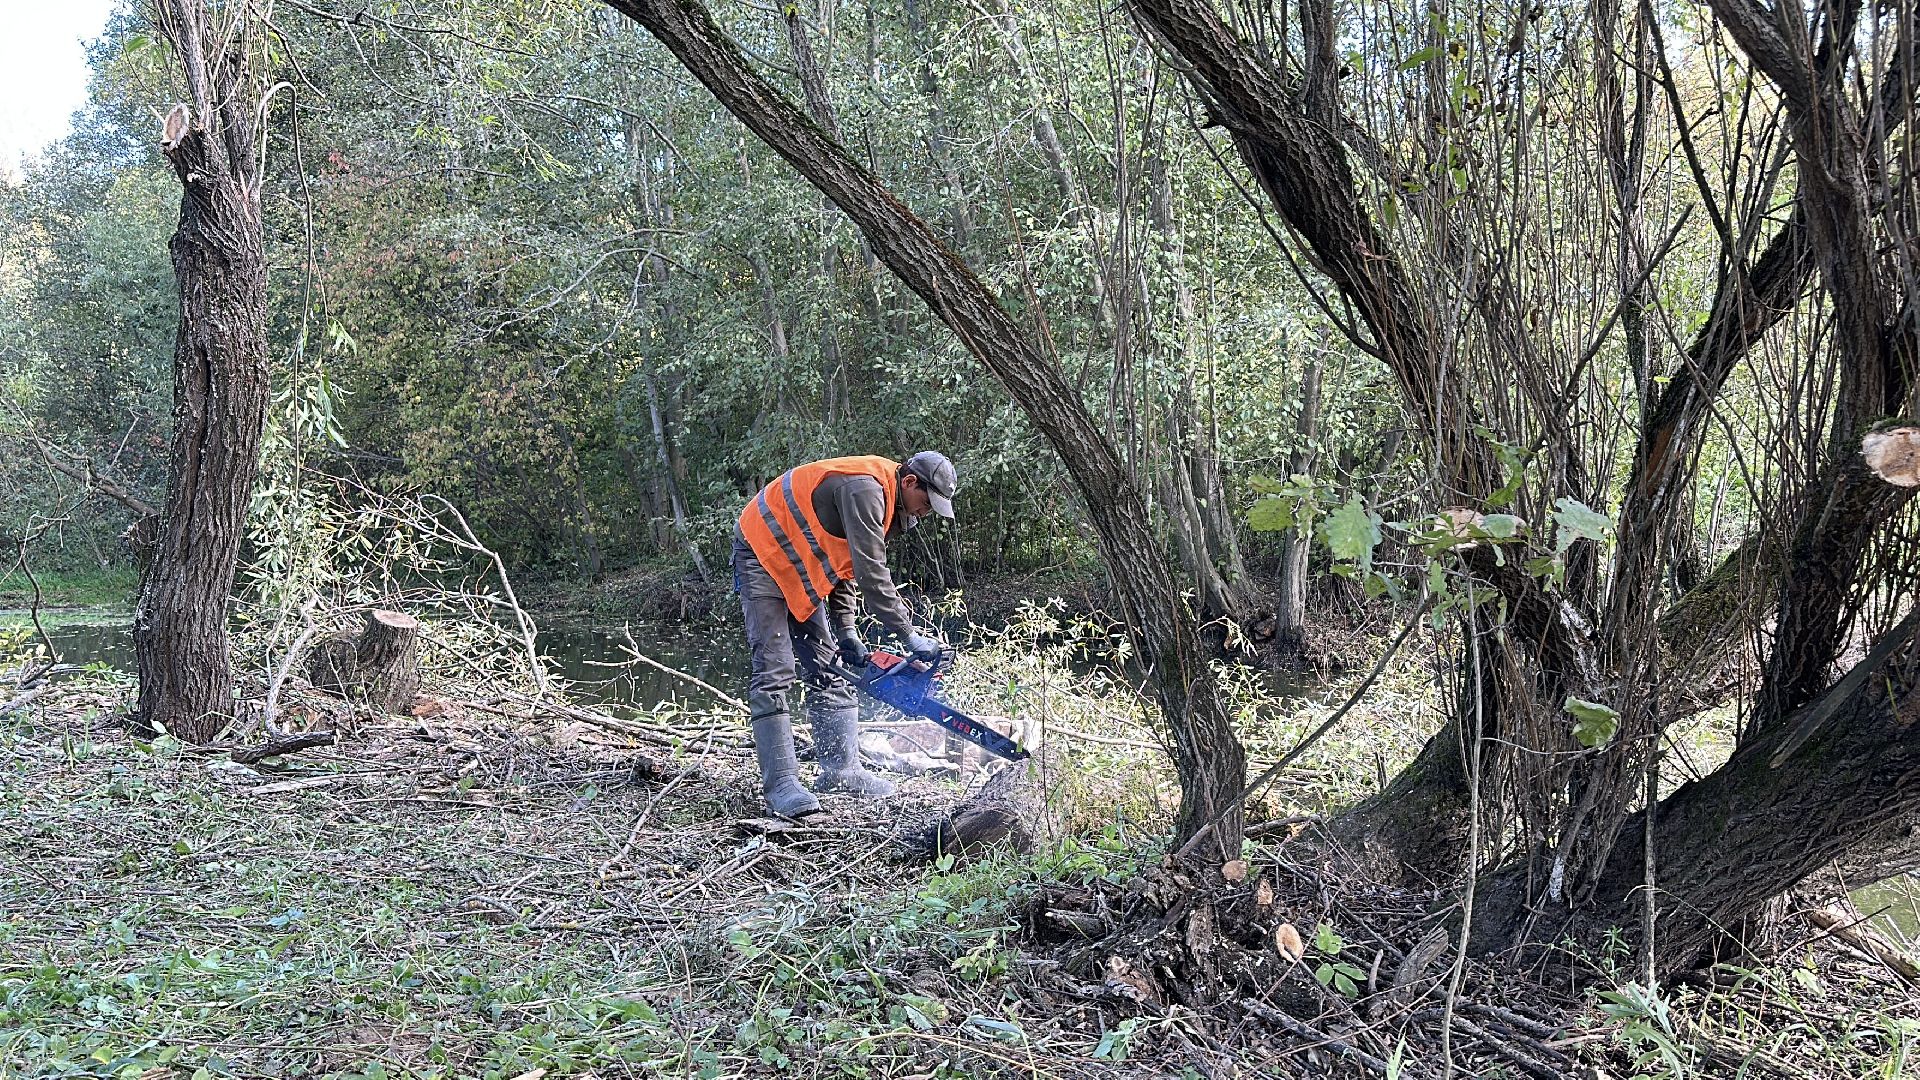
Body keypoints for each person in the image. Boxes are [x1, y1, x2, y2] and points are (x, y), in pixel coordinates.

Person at [732, 451, 958, 817]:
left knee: (829, 664)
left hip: (798, 562)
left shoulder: (887, 502)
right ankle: (782, 786)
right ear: (910, 482)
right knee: (775, 667)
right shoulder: (864, 490)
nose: (925, 512)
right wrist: (907, 633)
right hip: (762, 551)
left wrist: (847, 630)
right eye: (926, 503)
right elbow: (872, 572)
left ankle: (841, 771)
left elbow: (845, 566)